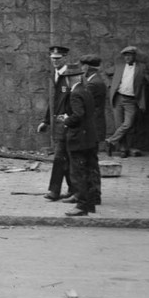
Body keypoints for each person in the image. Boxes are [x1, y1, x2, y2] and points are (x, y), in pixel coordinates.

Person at [57, 63, 100, 216]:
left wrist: (65, 120)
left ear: (70, 79)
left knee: (77, 172)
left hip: (78, 139)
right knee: (89, 170)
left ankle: (81, 205)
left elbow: (78, 115)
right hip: (89, 137)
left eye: (66, 78)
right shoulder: (86, 90)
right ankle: (90, 204)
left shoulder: (75, 93)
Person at [37, 45, 75, 201]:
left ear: (65, 58)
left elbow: (70, 101)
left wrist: (68, 118)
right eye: (53, 58)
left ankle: (55, 191)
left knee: (60, 157)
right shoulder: (56, 74)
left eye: (58, 59)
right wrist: (46, 120)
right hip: (58, 122)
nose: (55, 61)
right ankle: (73, 189)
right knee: (64, 157)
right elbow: (54, 101)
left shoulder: (68, 76)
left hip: (66, 123)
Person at [106, 45, 149, 158]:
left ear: (134, 56)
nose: (127, 58)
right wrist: (110, 85)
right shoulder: (119, 66)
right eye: (125, 56)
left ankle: (110, 141)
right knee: (119, 125)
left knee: (128, 124)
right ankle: (123, 150)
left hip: (131, 100)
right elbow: (105, 73)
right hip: (118, 98)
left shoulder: (141, 67)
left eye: (129, 55)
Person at [80, 53, 106, 203]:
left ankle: (92, 195)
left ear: (87, 67)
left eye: (83, 66)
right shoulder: (95, 81)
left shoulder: (93, 84)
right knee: (91, 161)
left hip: (92, 128)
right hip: (95, 126)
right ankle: (91, 194)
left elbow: (84, 104)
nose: (81, 69)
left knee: (90, 162)